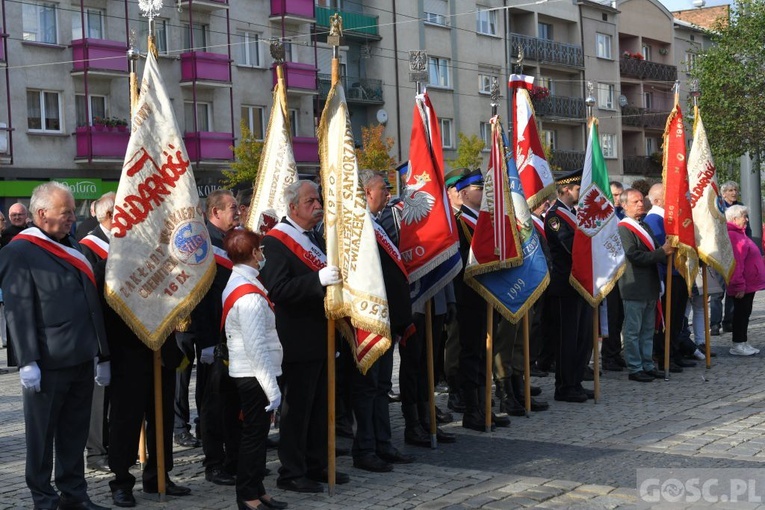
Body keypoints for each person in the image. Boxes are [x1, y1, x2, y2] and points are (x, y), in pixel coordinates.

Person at [0, 182, 110, 510]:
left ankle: (74, 494)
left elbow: (91, 304)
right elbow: (19, 308)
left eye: (73, 211)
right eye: (66, 212)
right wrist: (27, 360)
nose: (72, 217)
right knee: (41, 436)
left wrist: (101, 353)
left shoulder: (73, 245)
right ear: (42, 213)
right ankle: (43, 499)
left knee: (74, 433)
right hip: (46, 361)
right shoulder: (18, 251)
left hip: (80, 355)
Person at [80, 192, 190, 507]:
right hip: (128, 353)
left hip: (162, 348)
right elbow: (101, 312)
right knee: (126, 421)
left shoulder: (158, 255)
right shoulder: (106, 261)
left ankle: (159, 477)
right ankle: (121, 482)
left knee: (162, 418)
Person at [260, 180, 348, 493]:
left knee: (320, 409)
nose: (317, 204)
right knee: (296, 411)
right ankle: (291, 472)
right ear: (293, 207)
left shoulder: (316, 238)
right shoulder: (276, 242)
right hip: (295, 340)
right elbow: (278, 290)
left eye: (318, 199)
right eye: (310, 200)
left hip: (322, 337)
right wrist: (317, 280)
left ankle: (317, 465)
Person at [352, 170, 419, 470]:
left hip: (386, 320)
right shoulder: (357, 226)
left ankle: (382, 443)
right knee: (367, 390)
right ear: (367, 192)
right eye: (383, 188)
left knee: (380, 387)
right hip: (367, 321)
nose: (388, 193)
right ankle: (365, 449)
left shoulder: (375, 223)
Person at [222, 229, 288, 510]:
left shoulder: (245, 281)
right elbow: (256, 347)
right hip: (254, 375)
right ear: (252, 254)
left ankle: (258, 488)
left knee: (257, 436)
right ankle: (247, 495)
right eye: (259, 250)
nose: (262, 255)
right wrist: (272, 390)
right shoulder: (247, 296)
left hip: (254, 373)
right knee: (253, 437)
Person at [453, 170, 509, 430]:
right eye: (478, 187)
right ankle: (472, 410)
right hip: (471, 297)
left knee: (487, 353)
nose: (483, 191)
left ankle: (486, 405)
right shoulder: (459, 222)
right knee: (472, 353)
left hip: (490, 294)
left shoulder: (488, 222)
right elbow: (461, 262)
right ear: (463, 194)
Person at [545, 169, 593, 403]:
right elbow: (569, 246)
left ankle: (575, 381)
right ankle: (564, 386)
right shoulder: (555, 217)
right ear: (566, 189)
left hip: (579, 283)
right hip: (565, 286)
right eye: (577, 189)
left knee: (581, 337)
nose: (580, 193)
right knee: (567, 339)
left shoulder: (573, 214)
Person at [617, 189, 674, 382]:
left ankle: (647, 364)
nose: (640, 204)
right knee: (633, 331)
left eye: (641, 200)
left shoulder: (644, 225)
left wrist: (667, 249)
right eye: (635, 201)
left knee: (648, 329)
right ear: (624, 205)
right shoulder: (623, 228)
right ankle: (635, 367)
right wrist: (662, 252)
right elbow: (634, 255)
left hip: (650, 285)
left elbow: (658, 249)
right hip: (634, 285)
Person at [643, 183, 697, 372]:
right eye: (667, 196)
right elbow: (662, 247)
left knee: (676, 318)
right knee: (667, 318)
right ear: (657, 200)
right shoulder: (654, 219)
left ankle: (674, 353)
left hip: (677, 272)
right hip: (667, 274)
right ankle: (664, 355)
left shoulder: (666, 217)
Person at [725, 205, 765, 356]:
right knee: (741, 314)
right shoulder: (734, 236)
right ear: (735, 219)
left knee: (745, 313)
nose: (746, 219)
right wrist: (738, 285)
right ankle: (738, 344)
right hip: (743, 284)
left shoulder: (740, 234)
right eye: (744, 216)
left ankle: (743, 341)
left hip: (749, 283)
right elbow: (737, 263)